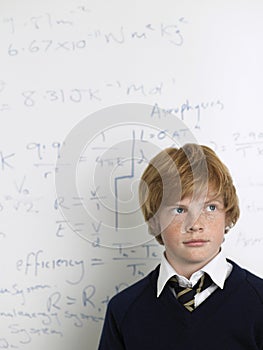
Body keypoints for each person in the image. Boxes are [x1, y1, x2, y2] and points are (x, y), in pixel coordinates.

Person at [98, 143, 263, 350]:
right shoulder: (123, 310)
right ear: (154, 220)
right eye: (179, 210)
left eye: (210, 207)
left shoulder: (258, 302)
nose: (195, 224)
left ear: (227, 214)